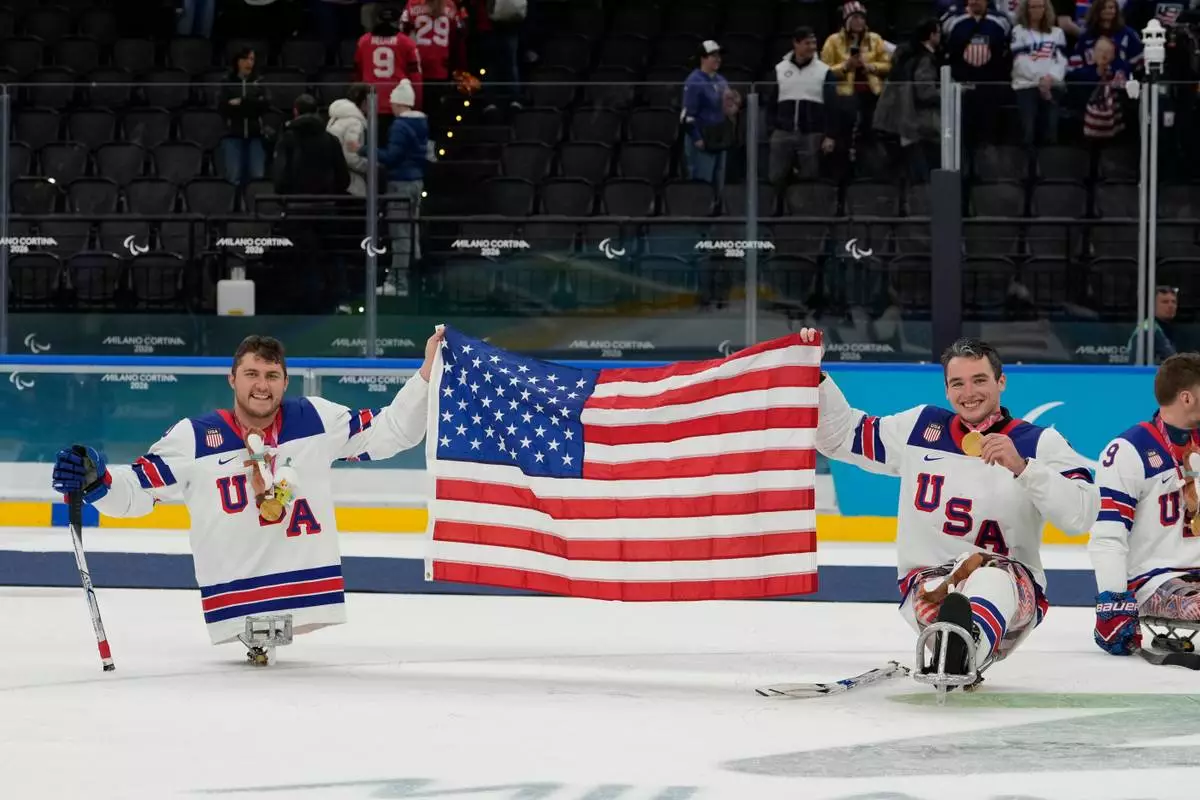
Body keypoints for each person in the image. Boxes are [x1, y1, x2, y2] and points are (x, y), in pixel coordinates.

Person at [50, 330, 443, 664]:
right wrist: (97, 480)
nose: (262, 384)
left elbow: (393, 432)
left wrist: (427, 372)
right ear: (232, 379)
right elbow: (136, 493)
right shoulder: (193, 437)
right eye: (252, 373)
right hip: (234, 603)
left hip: (307, 593)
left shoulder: (316, 419)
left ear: (286, 382)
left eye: (272, 375)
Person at [802, 331, 1100, 688]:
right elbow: (840, 437)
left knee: (990, 576)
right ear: (946, 390)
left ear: (1001, 381)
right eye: (957, 383)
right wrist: (814, 375)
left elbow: (1081, 515)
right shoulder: (918, 428)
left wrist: (1024, 468)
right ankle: (954, 645)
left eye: (979, 380)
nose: (968, 393)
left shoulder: (1038, 443)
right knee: (945, 597)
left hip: (1011, 591)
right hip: (930, 584)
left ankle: (963, 648)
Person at [1089, 353, 1200, 656]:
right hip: (1154, 580)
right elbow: (1108, 535)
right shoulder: (1128, 450)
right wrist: (1113, 600)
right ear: (1187, 398)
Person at [378, 78, 429, 298]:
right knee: (412, 232)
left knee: (400, 234)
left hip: (400, 184)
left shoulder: (400, 125)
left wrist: (366, 150)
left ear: (398, 103)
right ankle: (413, 279)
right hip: (416, 182)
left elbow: (392, 157)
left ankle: (398, 283)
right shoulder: (421, 124)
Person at [354, 2, 424, 148]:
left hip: (372, 104)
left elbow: (357, 75)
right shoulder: (407, 43)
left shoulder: (363, 41)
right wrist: (416, 106)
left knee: (374, 151)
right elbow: (416, 78)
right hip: (399, 106)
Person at [217, 48, 270, 186]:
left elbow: (265, 105)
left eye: (252, 59)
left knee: (257, 178)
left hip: (255, 136)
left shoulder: (259, 82)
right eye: (245, 59)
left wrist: (243, 102)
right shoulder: (227, 82)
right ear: (237, 62)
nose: (249, 62)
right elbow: (223, 107)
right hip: (233, 135)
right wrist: (251, 104)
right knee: (233, 178)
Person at [327, 83, 372, 198]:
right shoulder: (354, 123)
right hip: (351, 183)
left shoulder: (335, 118)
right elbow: (351, 158)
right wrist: (371, 167)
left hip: (336, 178)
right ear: (364, 102)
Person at [1126, 286, 1179, 364]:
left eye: (1173, 302)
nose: (1170, 306)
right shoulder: (1148, 331)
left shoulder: (1164, 329)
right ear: (1152, 306)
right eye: (1165, 302)